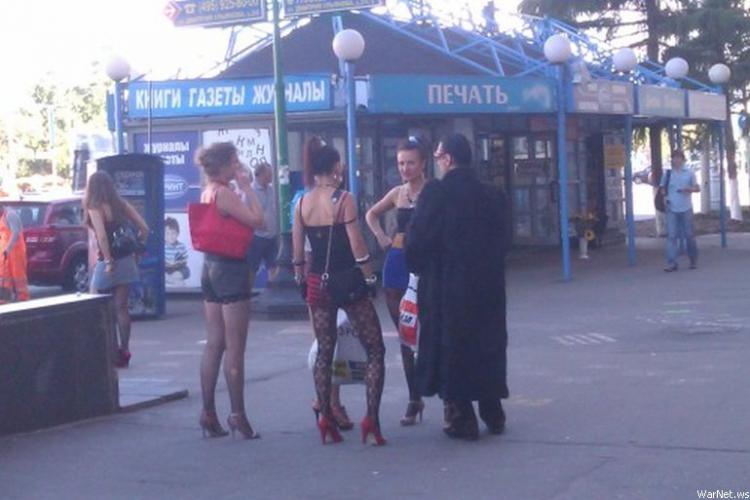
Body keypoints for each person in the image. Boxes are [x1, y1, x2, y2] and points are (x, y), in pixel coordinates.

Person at [405, 132, 510, 441]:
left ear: (448, 159)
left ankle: (461, 415)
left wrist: (418, 264)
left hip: (448, 288)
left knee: (452, 348)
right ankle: (492, 410)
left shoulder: (437, 193)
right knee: (487, 344)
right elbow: (505, 240)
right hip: (488, 287)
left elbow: (418, 240)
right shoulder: (494, 194)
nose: (437, 162)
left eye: (438, 157)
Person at [292, 136, 386, 446]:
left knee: (324, 350)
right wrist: (369, 277)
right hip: (347, 281)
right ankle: (371, 419)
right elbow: (357, 245)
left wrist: (301, 278)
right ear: (335, 168)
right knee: (375, 349)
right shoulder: (344, 199)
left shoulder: (302, 203)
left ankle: (325, 418)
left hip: (317, 282)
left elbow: (297, 252)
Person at [195, 142, 265, 439]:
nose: (238, 166)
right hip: (231, 269)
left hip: (210, 267)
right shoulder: (224, 193)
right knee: (235, 346)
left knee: (214, 343)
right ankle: (238, 414)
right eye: (235, 161)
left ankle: (208, 412)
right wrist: (248, 188)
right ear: (224, 164)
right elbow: (258, 221)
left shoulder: (208, 191)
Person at [365, 136, 428, 426]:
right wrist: (381, 236)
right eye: (401, 163)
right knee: (405, 335)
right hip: (397, 262)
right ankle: (414, 398)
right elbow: (371, 214)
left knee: (431, 333)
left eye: (410, 163)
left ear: (423, 163)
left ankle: (448, 399)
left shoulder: (433, 191)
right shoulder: (397, 193)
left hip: (425, 264)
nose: (405, 168)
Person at [84, 171, 150, 368]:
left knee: (96, 303)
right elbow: (144, 228)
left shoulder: (94, 207)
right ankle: (125, 350)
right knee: (122, 307)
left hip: (109, 262)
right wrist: (138, 251)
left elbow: (102, 236)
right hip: (127, 260)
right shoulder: (121, 204)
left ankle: (108, 350)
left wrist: (108, 260)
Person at [659, 149, 700, 272]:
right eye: (674, 158)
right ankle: (672, 263)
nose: (676, 160)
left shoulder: (689, 173)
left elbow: (697, 188)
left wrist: (689, 189)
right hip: (672, 208)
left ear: (683, 159)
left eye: (679, 158)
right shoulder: (667, 173)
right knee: (672, 236)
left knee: (689, 235)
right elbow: (662, 188)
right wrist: (664, 197)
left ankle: (693, 259)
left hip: (686, 207)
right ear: (672, 160)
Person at [246, 161, 279, 291]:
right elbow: (245, 213)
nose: (270, 177)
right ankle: (246, 294)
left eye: (271, 174)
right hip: (256, 236)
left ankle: (272, 293)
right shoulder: (250, 192)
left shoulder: (271, 190)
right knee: (251, 268)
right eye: (268, 175)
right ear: (259, 175)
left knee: (274, 267)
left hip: (271, 236)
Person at [0, 204, 30, 304]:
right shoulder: (2, 216)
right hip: (4, 251)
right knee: (4, 275)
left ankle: (22, 298)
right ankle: (4, 298)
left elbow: (15, 233)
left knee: (18, 275)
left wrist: (8, 248)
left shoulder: (10, 215)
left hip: (15, 251)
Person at [164, 217, 190, 286]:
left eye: (173, 233)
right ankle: (174, 281)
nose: (170, 236)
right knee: (161, 273)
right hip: (166, 268)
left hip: (177, 268)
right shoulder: (162, 246)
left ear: (178, 233)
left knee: (186, 271)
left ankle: (172, 279)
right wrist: (167, 263)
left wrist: (176, 264)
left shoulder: (181, 246)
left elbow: (184, 260)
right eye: (167, 233)